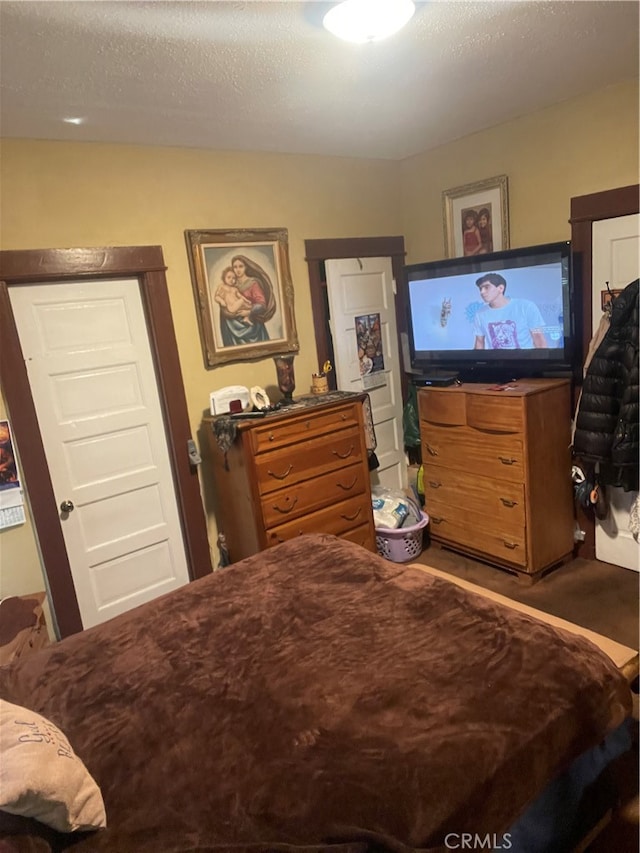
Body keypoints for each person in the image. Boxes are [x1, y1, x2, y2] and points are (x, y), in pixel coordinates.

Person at [473, 273, 547, 349]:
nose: (482, 292)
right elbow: (479, 342)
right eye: (480, 289)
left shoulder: (526, 306)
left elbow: (539, 339)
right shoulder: (480, 314)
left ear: (501, 288)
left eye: (486, 287)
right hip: (495, 360)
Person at [218, 255, 277, 346]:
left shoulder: (253, 283)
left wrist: (249, 312)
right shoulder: (231, 283)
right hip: (233, 328)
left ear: (246, 267)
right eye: (235, 267)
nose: (238, 270)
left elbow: (262, 305)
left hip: (252, 327)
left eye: (241, 266)